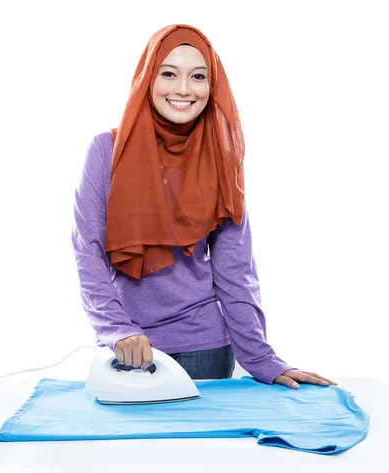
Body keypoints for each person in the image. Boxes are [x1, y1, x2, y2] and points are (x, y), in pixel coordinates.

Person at [72, 24, 336, 389]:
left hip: (206, 348)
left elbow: (236, 269)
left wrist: (261, 358)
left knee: (203, 448)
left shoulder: (221, 159)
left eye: (198, 76)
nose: (183, 88)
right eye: (168, 73)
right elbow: (88, 252)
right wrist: (117, 330)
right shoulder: (106, 151)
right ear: (147, 78)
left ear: (213, 87)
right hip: (128, 348)